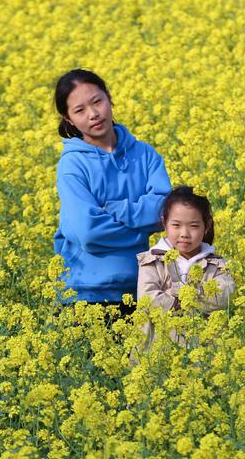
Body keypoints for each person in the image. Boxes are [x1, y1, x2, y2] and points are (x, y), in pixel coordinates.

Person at [53, 69, 171, 310]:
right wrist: (142, 231)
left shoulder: (145, 155)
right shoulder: (72, 165)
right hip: (83, 296)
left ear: (109, 98)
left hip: (143, 290)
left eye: (97, 101)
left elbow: (166, 213)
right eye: (80, 110)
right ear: (68, 119)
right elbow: (89, 232)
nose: (93, 114)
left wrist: (118, 210)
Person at [136, 186, 234, 345]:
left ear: (207, 225)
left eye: (194, 226)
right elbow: (148, 298)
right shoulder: (153, 260)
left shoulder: (217, 265)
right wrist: (189, 301)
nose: (184, 233)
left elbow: (224, 296)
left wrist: (179, 299)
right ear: (164, 223)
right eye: (176, 225)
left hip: (204, 354)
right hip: (159, 351)